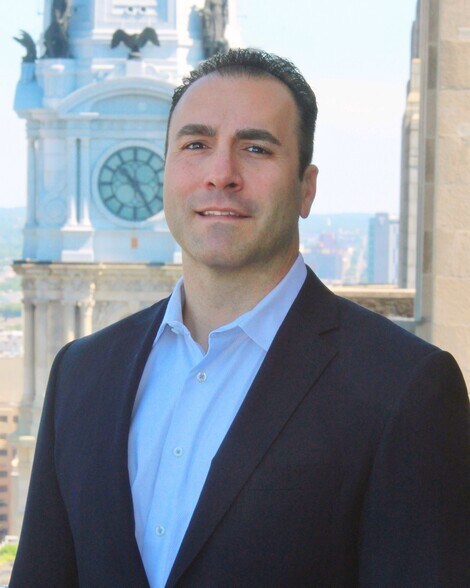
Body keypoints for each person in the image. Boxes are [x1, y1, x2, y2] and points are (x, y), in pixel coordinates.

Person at [10, 48, 468, 587]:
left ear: (306, 188)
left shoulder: (404, 388)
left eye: (255, 148)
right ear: (166, 171)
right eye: (196, 145)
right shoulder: (81, 372)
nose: (220, 174)